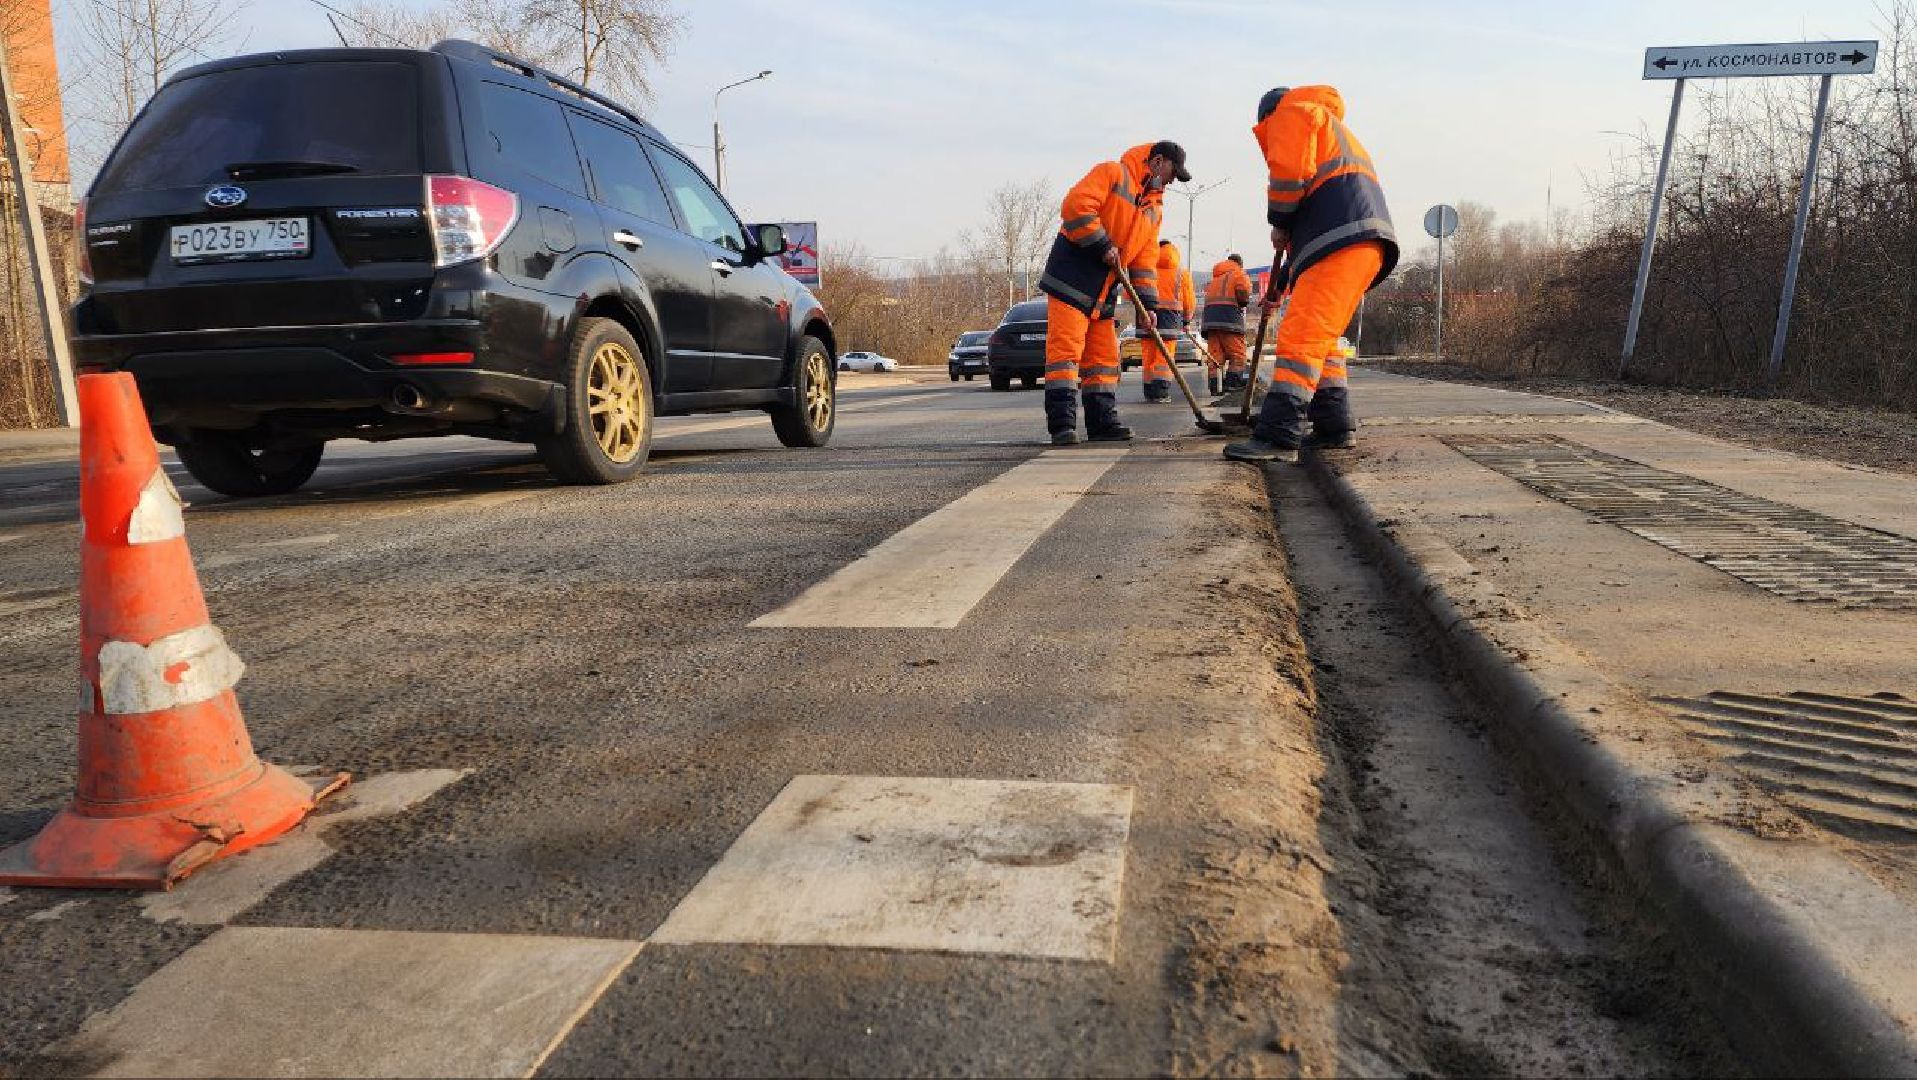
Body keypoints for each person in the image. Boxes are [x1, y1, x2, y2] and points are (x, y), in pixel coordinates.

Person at [1224, 86, 1398, 463]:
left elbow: (1287, 176)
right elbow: (1313, 217)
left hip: (1342, 242)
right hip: (1358, 243)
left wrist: (1279, 220)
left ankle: (1278, 434)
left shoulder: (1293, 112)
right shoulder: (1326, 127)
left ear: (1266, 118)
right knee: (1322, 340)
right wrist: (1282, 285)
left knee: (1300, 337)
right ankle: (1335, 427)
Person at [1038, 140, 1188, 444]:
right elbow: (1075, 207)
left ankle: (1102, 424)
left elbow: (1145, 261)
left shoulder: (1154, 210)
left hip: (1103, 289)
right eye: (1173, 173)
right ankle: (1063, 426)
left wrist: (1147, 306)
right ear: (1157, 161)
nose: (1172, 181)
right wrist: (1102, 245)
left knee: (1104, 359)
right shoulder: (1113, 173)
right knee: (1066, 355)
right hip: (1072, 279)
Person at [1138, 239, 1194, 402]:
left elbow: (1129, 293)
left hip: (1146, 315)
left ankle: (1149, 391)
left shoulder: (1145, 268)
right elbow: (1189, 301)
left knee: (1148, 354)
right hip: (1170, 319)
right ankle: (1161, 392)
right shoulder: (1181, 273)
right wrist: (1186, 321)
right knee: (1165, 356)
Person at [1200, 253, 1253, 396]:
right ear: (1239, 264)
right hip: (1229, 319)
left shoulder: (1215, 279)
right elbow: (1244, 293)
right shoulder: (1238, 274)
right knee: (1237, 354)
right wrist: (1243, 303)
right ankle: (1233, 383)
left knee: (1215, 355)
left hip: (1210, 321)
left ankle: (1215, 385)